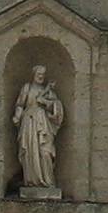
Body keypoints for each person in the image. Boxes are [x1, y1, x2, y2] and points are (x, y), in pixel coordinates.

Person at [14, 64, 64, 195]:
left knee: (45, 151)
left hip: (43, 122)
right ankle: (31, 180)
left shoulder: (49, 91)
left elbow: (56, 107)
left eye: (43, 74)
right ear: (34, 75)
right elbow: (20, 104)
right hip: (29, 121)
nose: (41, 76)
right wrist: (17, 116)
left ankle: (47, 181)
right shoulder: (27, 88)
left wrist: (46, 103)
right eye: (39, 74)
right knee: (30, 150)